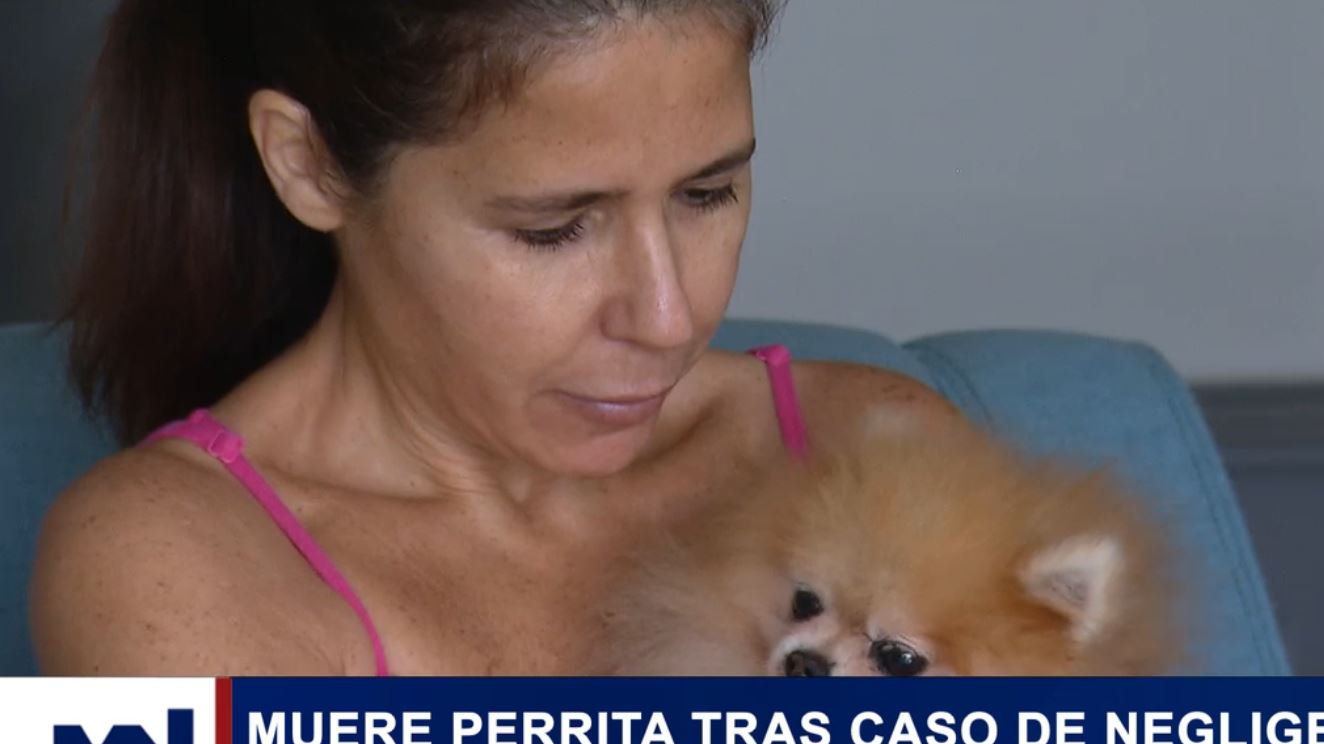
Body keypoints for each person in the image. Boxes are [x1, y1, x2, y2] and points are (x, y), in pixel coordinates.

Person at [29, 0, 961, 676]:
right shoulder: (157, 570)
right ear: (308, 165)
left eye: (707, 194)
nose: (669, 318)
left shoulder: (875, 452)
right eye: (552, 230)